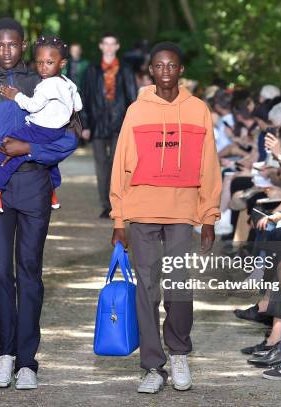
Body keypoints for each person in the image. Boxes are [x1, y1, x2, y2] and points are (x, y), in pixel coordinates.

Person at [0, 17, 77, 390]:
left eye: (13, 44)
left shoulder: (47, 82)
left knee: (30, 273)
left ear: (23, 46)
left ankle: (27, 362)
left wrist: (30, 148)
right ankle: (3, 354)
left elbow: (70, 139)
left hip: (35, 182)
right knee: (0, 273)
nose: (6, 51)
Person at [109, 42, 221, 394]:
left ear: (181, 69)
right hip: (142, 209)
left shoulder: (199, 110)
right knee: (146, 289)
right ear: (151, 71)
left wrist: (209, 217)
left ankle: (179, 353)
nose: (166, 72)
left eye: (172, 66)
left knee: (178, 283)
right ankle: (152, 366)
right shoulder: (136, 110)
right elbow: (120, 164)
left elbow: (209, 166)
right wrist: (118, 219)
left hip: (182, 210)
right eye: (159, 66)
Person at [0, 35, 82, 213]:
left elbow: (32, 105)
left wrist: (15, 95)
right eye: (39, 62)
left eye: (49, 63)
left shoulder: (47, 85)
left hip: (39, 129)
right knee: (50, 162)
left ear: (62, 63)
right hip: (57, 131)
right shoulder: (68, 83)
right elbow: (77, 106)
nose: (43, 67)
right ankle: (52, 193)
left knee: (5, 149)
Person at [81, 33, 137, 218]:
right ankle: (105, 204)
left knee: (117, 164)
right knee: (101, 165)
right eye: (106, 43)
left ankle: (116, 203)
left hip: (120, 122)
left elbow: (133, 98)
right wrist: (85, 125)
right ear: (101, 46)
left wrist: (133, 124)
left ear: (117, 47)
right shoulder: (92, 70)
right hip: (97, 123)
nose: (109, 47)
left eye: (113, 44)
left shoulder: (126, 70)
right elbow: (85, 98)